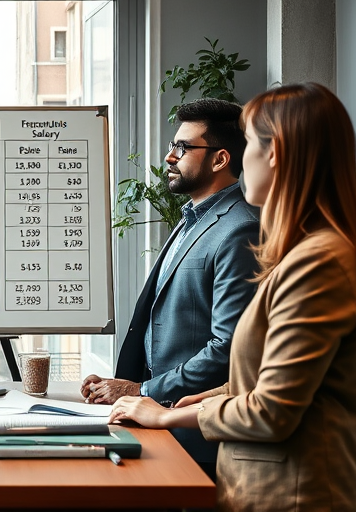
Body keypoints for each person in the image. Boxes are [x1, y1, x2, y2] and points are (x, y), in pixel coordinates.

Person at [109, 83, 356, 511]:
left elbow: (273, 411)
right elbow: (274, 381)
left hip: (295, 495)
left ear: (275, 154)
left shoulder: (319, 264)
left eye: (250, 147)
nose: (244, 162)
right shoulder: (311, 251)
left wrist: (168, 414)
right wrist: (206, 398)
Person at [80, 98, 260, 475]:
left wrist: (143, 393)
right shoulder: (192, 217)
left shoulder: (240, 228)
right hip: (158, 423)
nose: (169, 157)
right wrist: (126, 385)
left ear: (220, 159)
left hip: (195, 439)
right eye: (171, 146)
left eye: (183, 147)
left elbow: (228, 349)